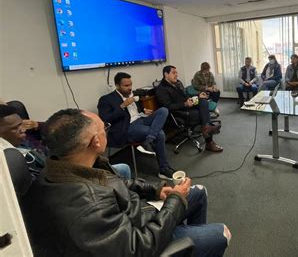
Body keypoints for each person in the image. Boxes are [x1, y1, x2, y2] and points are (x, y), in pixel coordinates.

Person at [21, 109, 230, 256]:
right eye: (104, 128)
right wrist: (174, 203)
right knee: (221, 233)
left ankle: (191, 247)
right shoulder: (87, 206)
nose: (106, 131)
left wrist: (158, 190)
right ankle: (189, 243)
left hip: (138, 216)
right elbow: (138, 248)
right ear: (95, 141)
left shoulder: (69, 165)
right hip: (144, 236)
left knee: (198, 192)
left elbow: (119, 182)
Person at [0, 104, 131, 179]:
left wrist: (37, 125)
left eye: (21, 124)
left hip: (64, 166)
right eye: (15, 128)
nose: (23, 129)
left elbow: (61, 130)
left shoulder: (25, 138)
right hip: (63, 176)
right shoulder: (11, 161)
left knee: (122, 170)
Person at [98, 72, 174, 179]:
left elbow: (136, 110)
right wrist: (123, 105)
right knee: (160, 133)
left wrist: (144, 110)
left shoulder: (132, 94)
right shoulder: (106, 99)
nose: (130, 88)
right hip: (128, 127)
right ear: (117, 86)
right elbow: (105, 118)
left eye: (131, 85)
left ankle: (149, 139)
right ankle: (163, 169)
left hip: (141, 118)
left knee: (163, 110)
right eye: (126, 86)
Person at [155, 66, 223, 153]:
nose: (176, 75)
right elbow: (167, 107)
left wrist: (198, 96)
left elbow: (186, 96)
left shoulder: (178, 83)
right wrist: (185, 104)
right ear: (166, 74)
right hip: (178, 113)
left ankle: (206, 128)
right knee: (202, 115)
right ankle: (209, 141)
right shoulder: (161, 89)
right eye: (173, 73)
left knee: (203, 102)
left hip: (187, 106)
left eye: (177, 73)